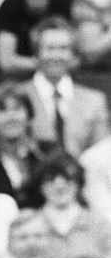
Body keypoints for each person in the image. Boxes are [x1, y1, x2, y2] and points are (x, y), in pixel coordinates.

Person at [22, 17, 111, 157]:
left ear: (73, 56)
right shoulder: (19, 95)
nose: (56, 56)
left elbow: (102, 154)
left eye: (63, 48)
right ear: (36, 54)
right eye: (50, 48)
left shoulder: (94, 100)